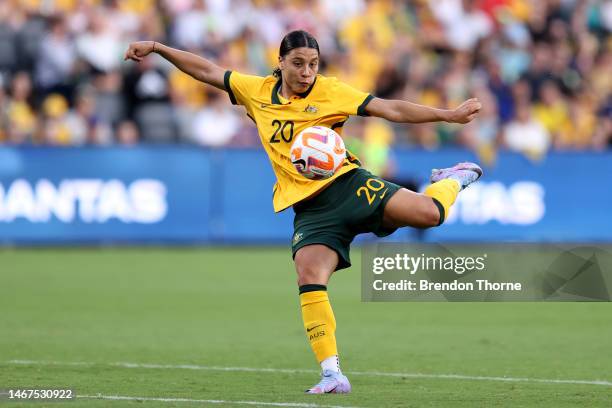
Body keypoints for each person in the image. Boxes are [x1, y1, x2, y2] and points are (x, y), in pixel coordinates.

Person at [124, 30, 483, 394]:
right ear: (280, 63)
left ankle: (451, 178)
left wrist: (447, 115)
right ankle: (332, 373)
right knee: (309, 274)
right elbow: (206, 71)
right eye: (298, 63)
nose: (306, 72)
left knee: (431, 214)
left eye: (312, 64)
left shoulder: (331, 91)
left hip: (349, 186)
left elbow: (389, 108)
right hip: (311, 210)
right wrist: (157, 47)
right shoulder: (256, 91)